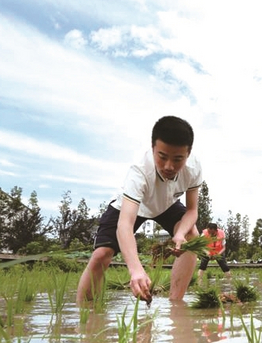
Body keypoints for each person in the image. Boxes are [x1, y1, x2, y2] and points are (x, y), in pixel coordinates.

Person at [76, 116, 201, 304]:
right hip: (132, 206)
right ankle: (83, 315)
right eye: (162, 156)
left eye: (178, 159)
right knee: (101, 255)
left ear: (188, 154)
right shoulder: (140, 171)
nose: (169, 166)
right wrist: (135, 269)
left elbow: (192, 210)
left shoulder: (193, 168)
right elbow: (124, 224)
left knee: (192, 237)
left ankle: (176, 306)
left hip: (166, 204)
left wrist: (180, 234)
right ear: (153, 149)